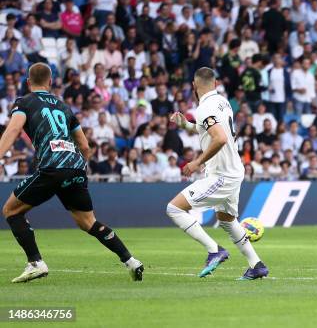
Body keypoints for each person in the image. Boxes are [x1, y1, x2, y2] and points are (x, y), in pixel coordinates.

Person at [1, 63, 143, 283]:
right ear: (50, 82)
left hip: (52, 167)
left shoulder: (24, 102)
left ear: (28, 83)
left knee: (11, 210)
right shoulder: (64, 106)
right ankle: (131, 261)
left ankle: (36, 263)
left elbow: (13, 129)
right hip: (75, 166)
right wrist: (76, 169)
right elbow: (85, 147)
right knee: (89, 222)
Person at [166, 67, 268, 280]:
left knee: (174, 208)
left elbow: (219, 138)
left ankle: (214, 250)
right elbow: (211, 130)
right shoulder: (223, 102)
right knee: (227, 220)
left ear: (194, 86)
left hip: (221, 175)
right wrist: (185, 124)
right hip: (233, 170)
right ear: (215, 83)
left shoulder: (204, 108)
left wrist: (196, 162)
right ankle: (256, 265)